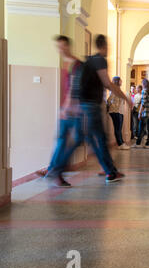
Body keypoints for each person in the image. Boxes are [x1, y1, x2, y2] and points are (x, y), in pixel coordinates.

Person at [79, 34, 133, 184]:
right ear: (104, 46)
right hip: (92, 106)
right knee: (100, 139)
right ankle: (110, 172)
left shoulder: (90, 60)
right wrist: (126, 98)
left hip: (85, 105)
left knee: (97, 138)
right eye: (108, 46)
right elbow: (108, 83)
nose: (108, 49)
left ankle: (110, 169)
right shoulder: (100, 60)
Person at [37, 35, 84, 188]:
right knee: (62, 140)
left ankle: (55, 170)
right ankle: (54, 170)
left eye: (63, 46)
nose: (60, 49)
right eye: (59, 46)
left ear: (68, 46)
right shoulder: (65, 63)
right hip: (67, 109)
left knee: (75, 139)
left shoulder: (76, 65)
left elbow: (73, 87)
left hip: (74, 110)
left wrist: (67, 107)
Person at [107, 76, 130, 150]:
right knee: (117, 128)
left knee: (119, 128)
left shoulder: (118, 90)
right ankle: (120, 144)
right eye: (120, 81)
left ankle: (121, 142)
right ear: (117, 81)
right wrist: (113, 107)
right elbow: (109, 100)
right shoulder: (114, 90)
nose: (122, 82)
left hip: (120, 111)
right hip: (115, 111)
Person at [134, 79, 149, 149]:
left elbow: (143, 103)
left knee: (142, 128)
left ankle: (138, 144)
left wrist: (140, 113)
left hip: (146, 113)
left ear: (144, 84)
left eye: (142, 84)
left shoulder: (144, 91)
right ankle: (147, 144)